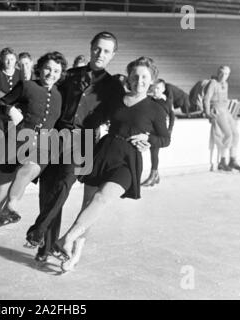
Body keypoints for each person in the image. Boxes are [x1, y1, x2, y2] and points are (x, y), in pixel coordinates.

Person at [56, 56, 170, 272]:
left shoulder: (156, 109)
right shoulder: (116, 99)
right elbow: (92, 120)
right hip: (104, 152)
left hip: (128, 161)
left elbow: (165, 139)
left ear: (152, 79)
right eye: (135, 75)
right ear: (129, 77)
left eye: (144, 76)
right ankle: (74, 255)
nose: (139, 80)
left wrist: (149, 140)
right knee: (88, 206)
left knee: (101, 199)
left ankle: (67, 238)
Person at [25, 31, 125, 262]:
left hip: (85, 139)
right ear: (91, 48)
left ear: (112, 55)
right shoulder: (68, 76)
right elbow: (45, 95)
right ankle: (46, 245)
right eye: (98, 48)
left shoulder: (113, 86)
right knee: (47, 191)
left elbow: (123, 115)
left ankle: (39, 229)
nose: (100, 54)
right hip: (55, 135)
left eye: (106, 51)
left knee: (64, 184)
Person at [0, 51, 67, 263]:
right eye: (48, 69)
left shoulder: (60, 95)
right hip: (13, 143)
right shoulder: (27, 86)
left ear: (61, 74)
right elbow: (0, 103)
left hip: (40, 146)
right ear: (40, 68)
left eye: (56, 71)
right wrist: (11, 110)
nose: (51, 74)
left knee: (32, 168)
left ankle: (11, 207)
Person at [204, 65, 240, 171]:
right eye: (221, 73)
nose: (223, 76)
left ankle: (232, 160)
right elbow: (207, 99)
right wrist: (208, 113)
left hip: (225, 111)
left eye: (226, 74)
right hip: (217, 110)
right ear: (218, 73)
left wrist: (231, 114)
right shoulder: (213, 83)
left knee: (235, 134)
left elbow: (225, 100)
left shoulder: (225, 84)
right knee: (228, 134)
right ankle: (222, 162)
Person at [142, 78, 175, 186]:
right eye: (154, 88)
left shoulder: (167, 102)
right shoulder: (149, 100)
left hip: (160, 132)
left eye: (158, 88)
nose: (156, 90)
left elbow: (172, 116)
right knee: (153, 153)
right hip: (150, 130)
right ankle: (155, 176)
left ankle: (153, 176)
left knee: (154, 153)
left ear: (163, 89)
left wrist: (170, 130)